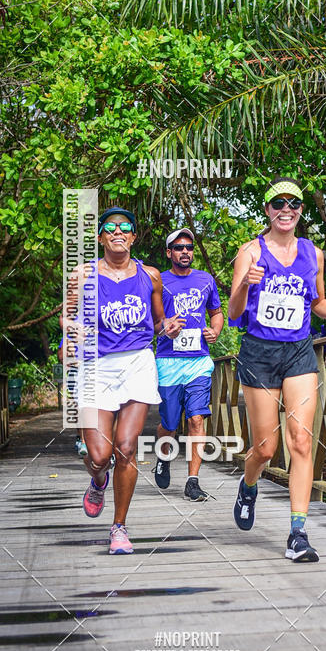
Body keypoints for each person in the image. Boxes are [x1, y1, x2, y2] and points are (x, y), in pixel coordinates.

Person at [228, 177, 326, 562]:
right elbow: (233, 313)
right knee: (266, 448)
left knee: (300, 440)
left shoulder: (312, 253)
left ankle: (298, 533)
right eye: (278, 203)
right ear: (267, 210)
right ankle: (249, 486)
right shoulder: (249, 252)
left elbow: (316, 300)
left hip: (298, 352)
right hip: (259, 353)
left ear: (300, 212)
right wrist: (245, 286)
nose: (286, 210)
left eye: (293, 204)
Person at [62, 207, 180, 555]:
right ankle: (98, 479)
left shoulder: (151, 276)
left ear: (133, 236)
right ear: (100, 237)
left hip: (137, 362)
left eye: (124, 227)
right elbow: (66, 321)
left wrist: (167, 328)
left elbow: (159, 323)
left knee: (127, 448)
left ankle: (119, 528)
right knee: (99, 455)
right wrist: (72, 332)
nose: (117, 231)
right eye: (110, 227)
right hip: (96, 365)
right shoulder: (81, 275)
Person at [153, 228, 224, 500]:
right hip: (169, 361)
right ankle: (163, 455)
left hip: (198, 361)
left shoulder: (205, 279)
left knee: (196, 418)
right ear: (169, 252)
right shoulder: (158, 280)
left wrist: (215, 331)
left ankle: (193, 481)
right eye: (179, 247)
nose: (185, 251)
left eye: (189, 247)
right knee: (169, 423)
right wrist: (165, 329)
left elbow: (216, 313)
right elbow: (151, 322)